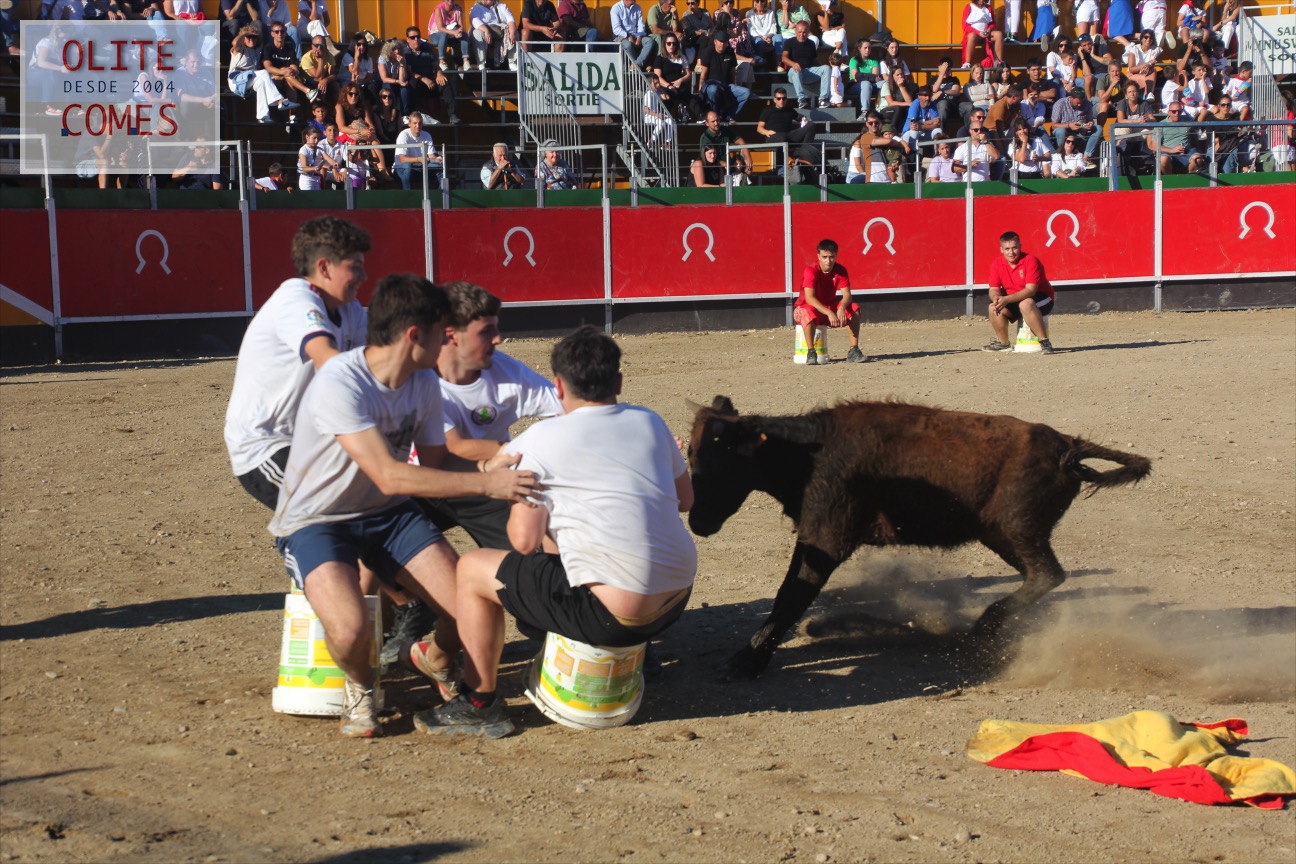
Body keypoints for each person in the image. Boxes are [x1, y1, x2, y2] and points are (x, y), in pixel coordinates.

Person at [269, 274, 538, 738]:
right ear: (416, 335)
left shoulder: (423, 383)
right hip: (318, 520)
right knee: (350, 631)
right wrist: (487, 484)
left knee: (471, 607)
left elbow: (434, 463)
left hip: (388, 516)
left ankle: (437, 662)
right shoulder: (341, 380)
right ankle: (360, 685)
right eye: (441, 333)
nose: (448, 341)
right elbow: (389, 475)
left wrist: (486, 465)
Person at [413, 325, 696, 738]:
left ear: (559, 386)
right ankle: (640, 657)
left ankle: (479, 703)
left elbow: (523, 541)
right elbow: (685, 500)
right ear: (618, 381)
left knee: (473, 568)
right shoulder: (650, 421)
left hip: (613, 615)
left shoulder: (538, 440)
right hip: (675, 601)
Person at [224, 215, 370, 512]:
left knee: (385, 503)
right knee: (345, 511)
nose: (364, 275)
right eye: (355, 266)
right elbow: (330, 362)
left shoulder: (350, 308)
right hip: (267, 446)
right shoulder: (296, 298)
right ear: (324, 267)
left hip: (318, 444)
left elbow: (385, 359)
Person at [409, 281, 563, 554]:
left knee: (530, 559)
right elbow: (453, 447)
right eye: (486, 331)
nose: (498, 338)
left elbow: (570, 407)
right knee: (372, 554)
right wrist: (521, 450)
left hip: (487, 483)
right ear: (452, 335)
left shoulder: (507, 372)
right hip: (418, 484)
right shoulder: (416, 376)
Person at [793, 239, 866, 365]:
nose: (828, 261)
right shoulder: (811, 270)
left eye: (831, 257)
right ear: (818, 256)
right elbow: (809, 298)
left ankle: (854, 350)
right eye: (825, 257)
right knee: (806, 312)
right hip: (806, 308)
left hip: (828, 308)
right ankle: (811, 352)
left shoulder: (840, 270)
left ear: (836, 255)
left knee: (854, 308)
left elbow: (847, 295)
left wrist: (842, 307)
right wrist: (829, 312)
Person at [983, 231, 1055, 353]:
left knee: (1026, 304)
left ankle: (1044, 342)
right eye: (1007, 249)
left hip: (1042, 298)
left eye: (1014, 248)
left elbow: (1031, 291)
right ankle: (1003, 343)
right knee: (993, 307)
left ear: (1020, 247)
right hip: (1014, 299)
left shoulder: (1031, 260)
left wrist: (1006, 299)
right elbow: (994, 288)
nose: (1011, 252)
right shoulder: (997, 263)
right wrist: (996, 298)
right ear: (1001, 250)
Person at [697, 30, 751, 120]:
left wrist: (734, 84)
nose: (722, 44)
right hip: (711, 84)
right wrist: (701, 87)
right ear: (715, 41)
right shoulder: (708, 52)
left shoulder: (730, 52)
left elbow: (733, 71)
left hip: (727, 85)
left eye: (724, 41)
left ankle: (729, 114)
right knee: (713, 90)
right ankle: (715, 116)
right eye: (720, 41)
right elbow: (703, 73)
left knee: (746, 93)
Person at [782, 20, 831, 109]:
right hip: (794, 73)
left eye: (804, 32)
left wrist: (822, 70)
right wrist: (793, 64)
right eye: (799, 32)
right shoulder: (789, 42)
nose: (802, 34)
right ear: (795, 31)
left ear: (808, 32)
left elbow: (815, 60)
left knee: (826, 68)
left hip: (807, 72)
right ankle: (801, 100)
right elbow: (784, 58)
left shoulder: (811, 43)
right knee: (796, 70)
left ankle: (823, 99)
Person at [1148, 100, 1204, 173]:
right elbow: (1154, 145)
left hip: (1187, 152)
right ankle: (1170, 179)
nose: (1177, 113)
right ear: (1169, 112)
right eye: (1174, 111)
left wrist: (1199, 150)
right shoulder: (1161, 125)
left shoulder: (1188, 121)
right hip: (1168, 153)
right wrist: (1172, 150)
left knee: (1197, 158)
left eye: (1179, 111)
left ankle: (1189, 177)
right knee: (1163, 159)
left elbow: (1194, 137)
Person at [652, 33, 695, 120]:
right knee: (670, 95)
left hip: (679, 85)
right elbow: (657, 77)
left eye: (674, 43)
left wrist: (680, 80)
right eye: (669, 43)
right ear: (664, 44)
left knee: (690, 97)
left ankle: (699, 116)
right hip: (665, 86)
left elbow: (688, 74)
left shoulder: (681, 57)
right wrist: (669, 86)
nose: (671, 46)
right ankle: (668, 117)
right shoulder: (659, 58)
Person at [395, 111, 442, 190]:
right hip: (401, 169)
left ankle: (440, 195)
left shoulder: (427, 135)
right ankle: (408, 195)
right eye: (415, 123)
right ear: (409, 124)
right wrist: (419, 159)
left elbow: (431, 156)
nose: (418, 126)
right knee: (407, 166)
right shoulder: (403, 135)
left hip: (421, 167)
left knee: (440, 167)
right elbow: (402, 159)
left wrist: (438, 159)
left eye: (420, 123)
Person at [1051, 86, 1102, 157]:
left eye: (1081, 102)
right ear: (1071, 98)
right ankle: (1064, 154)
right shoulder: (1060, 104)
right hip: (1065, 134)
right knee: (1061, 131)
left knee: (1098, 128)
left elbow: (1090, 120)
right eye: (1077, 103)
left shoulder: (1087, 104)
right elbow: (1054, 125)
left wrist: (1090, 123)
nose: (1079, 105)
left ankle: (1086, 156)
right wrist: (1069, 125)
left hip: (1081, 133)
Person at [470, 0, 518, 70]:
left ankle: (512, 62)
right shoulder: (477, 7)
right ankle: (481, 63)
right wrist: (486, 30)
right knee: (477, 32)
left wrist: (512, 33)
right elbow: (475, 21)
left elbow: (511, 20)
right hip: (485, 30)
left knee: (515, 32)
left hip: (501, 30)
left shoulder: (502, 6)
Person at [612, 0, 656, 69]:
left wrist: (639, 36)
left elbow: (641, 25)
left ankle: (637, 64)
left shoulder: (637, 7)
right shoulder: (616, 8)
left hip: (635, 35)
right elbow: (616, 29)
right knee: (628, 45)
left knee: (649, 41)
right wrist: (628, 36)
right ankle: (640, 67)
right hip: (620, 36)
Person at [431, 0, 473, 70]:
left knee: (464, 35)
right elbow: (440, 28)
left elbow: (461, 26)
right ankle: (441, 62)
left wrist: (459, 32)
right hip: (436, 34)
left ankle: (466, 61)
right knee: (443, 34)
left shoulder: (458, 8)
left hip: (450, 35)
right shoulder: (438, 9)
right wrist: (454, 32)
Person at [300, 31, 339, 105]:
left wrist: (326, 80)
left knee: (335, 85)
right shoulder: (306, 58)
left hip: (323, 79)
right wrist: (320, 58)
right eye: (316, 45)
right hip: (308, 81)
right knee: (320, 83)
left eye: (322, 45)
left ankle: (336, 107)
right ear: (312, 46)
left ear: (326, 46)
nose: (319, 48)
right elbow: (317, 76)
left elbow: (333, 75)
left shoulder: (329, 55)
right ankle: (319, 106)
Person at [960, 0, 1002, 69]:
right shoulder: (969, 7)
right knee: (972, 36)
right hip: (975, 34)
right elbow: (965, 26)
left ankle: (999, 62)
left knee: (999, 34)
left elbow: (993, 23)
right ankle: (967, 62)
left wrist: (989, 30)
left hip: (986, 34)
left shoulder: (988, 8)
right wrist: (978, 32)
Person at [846, 38, 880, 116]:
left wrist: (862, 75)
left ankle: (883, 109)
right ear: (859, 49)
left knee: (885, 83)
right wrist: (870, 77)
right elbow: (856, 77)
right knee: (866, 83)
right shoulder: (854, 60)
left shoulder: (873, 60)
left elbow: (876, 77)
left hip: (872, 85)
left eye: (869, 48)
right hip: (855, 86)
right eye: (865, 48)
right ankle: (865, 112)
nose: (867, 50)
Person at [746, 0, 781, 67]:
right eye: (757, 1)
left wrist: (769, 36)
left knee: (779, 37)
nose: (760, 3)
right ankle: (760, 64)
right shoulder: (749, 13)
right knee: (759, 41)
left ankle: (779, 63)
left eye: (762, 1)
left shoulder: (770, 13)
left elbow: (773, 27)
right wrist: (762, 37)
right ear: (754, 2)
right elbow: (751, 30)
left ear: (765, 2)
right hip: (757, 37)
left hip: (769, 36)